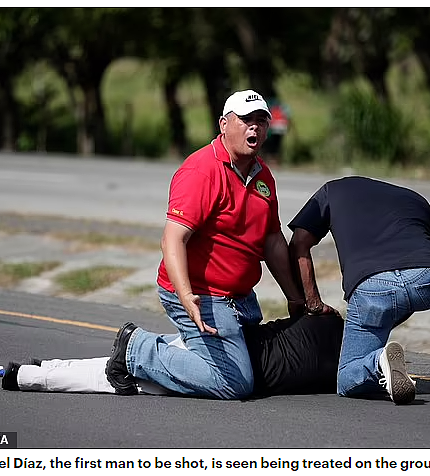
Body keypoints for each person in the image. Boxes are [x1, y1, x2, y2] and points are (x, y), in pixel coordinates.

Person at [105, 89, 307, 399]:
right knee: (235, 383)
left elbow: (273, 240)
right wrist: (186, 296)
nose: (254, 127)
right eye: (245, 120)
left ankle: (188, 348)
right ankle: (136, 349)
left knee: (261, 369)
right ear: (224, 124)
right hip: (201, 293)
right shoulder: (201, 170)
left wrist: (295, 297)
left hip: (240, 299)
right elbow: (172, 239)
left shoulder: (263, 175)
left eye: (261, 121)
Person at [288, 176, 430, 405]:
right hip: (425, 278)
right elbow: (428, 259)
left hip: (370, 289)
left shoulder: (331, 190)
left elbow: (298, 244)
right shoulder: (417, 200)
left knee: (346, 378)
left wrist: (312, 302)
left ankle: (378, 362)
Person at [0, 313, 344, 397]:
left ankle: (34, 371)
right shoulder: (342, 371)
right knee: (125, 379)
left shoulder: (324, 318)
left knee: (120, 374)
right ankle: (30, 375)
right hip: (225, 365)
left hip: (227, 338)